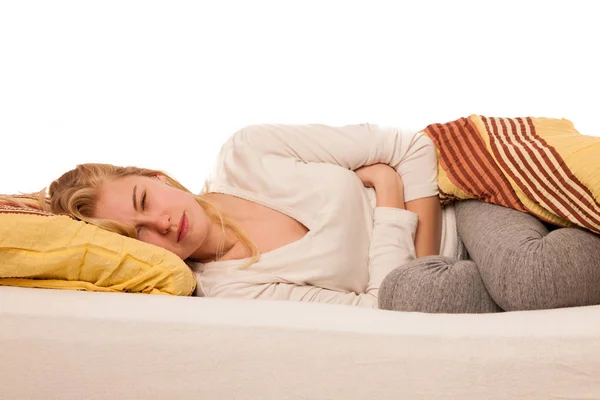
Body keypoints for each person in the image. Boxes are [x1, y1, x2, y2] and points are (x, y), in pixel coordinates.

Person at [46, 124, 600, 312]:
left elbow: (408, 147)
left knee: (532, 276)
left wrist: (419, 264)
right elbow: (380, 305)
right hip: (434, 281)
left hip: (465, 207)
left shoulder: (249, 153)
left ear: (158, 178)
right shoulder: (229, 291)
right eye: (139, 236)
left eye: (145, 202)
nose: (161, 226)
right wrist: (384, 191)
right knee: (417, 297)